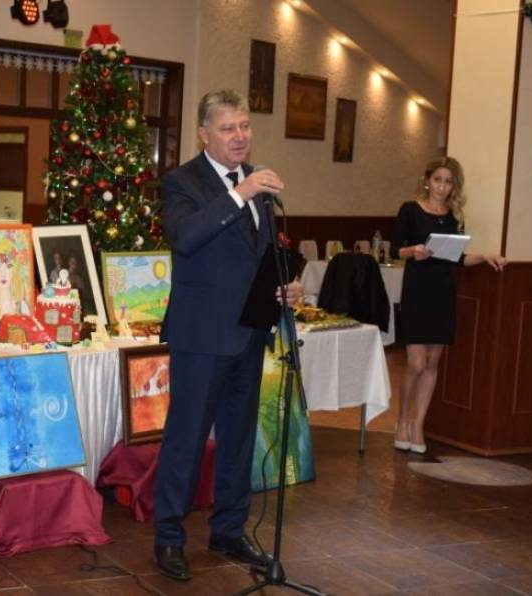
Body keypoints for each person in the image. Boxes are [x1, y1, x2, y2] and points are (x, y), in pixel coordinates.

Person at [153, 89, 302, 581]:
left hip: (249, 334)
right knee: (187, 439)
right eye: (227, 128)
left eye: (245, 126)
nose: (240, 137)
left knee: (238, 440)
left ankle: (229, 530)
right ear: (204, 134)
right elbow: (186, 237)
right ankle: (169, 537)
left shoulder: (258, 184)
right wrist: (240, 194)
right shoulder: (183, 182)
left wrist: (286, 284)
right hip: (201, 337)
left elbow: (261, 256)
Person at [391, 157, 506, 454]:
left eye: (448, 182)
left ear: (454, 186)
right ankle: (402, 419)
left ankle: (418, 425)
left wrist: (485, 256)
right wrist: (413, 250)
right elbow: (394, 249)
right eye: (438, 180)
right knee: (416, 363)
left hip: (443, 291)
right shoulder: (410, 209)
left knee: (432, 363)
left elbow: (458, 258)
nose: (442, 187)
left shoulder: (454, 217)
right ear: (428, 180)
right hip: (417, 291)